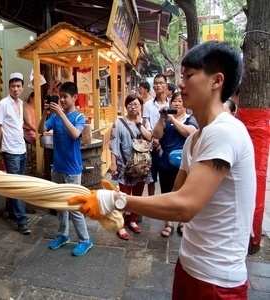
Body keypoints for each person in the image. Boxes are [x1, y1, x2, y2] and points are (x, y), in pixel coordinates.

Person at [69, 41, 255, 299]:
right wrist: (117, 197)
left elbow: (184, 206)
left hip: (217, 280)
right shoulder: (195, 140)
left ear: (217, 81)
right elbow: (173, 195)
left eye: (189, 76)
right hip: (189, 265)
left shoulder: (225, 131)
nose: (180, 84)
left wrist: (115, 200)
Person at [37, 81, 93, 256]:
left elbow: (76, 134)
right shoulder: (54, 117)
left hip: (73, 170)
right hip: (58, 167)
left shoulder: (79, 117)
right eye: (60, 96)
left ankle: (85, 240)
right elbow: (40, 130)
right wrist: (46, 112)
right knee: (60, 205)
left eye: (65, 97)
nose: (62, 100)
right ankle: (63, 235)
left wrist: (61, 114)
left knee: (75, 208)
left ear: (74, 97)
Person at [152, 92, 198, 237]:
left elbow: (190, 132)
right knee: (167, 192)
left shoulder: (191, 119)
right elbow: (157, 134)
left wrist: (173, 119)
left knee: (185, 193)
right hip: (166, 162)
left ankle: (182, 222)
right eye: (174, 101)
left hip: (185, 164)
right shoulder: (165, 120)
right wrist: (161, 118)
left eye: (180, 101)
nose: (177, 104)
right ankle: (168, 223)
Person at [109, 93, 152, 240]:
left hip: (141, 166)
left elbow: (149, 137)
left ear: (141, 106)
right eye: (130, 104)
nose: (133, 107)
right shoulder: (119, 122)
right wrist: (113, 163)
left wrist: (139, 123)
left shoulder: (145, 122)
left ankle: (133, 220)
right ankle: (120, 225)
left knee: (138, 197)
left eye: (136, 104)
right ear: (126, 106)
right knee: (123, 197)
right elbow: (114, 144)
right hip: (124, 166)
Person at [0, 72, 31, 235]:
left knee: (20, 184)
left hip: (21, 148)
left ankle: (13, 213)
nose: (15, 89)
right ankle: (21, 220)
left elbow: (21, 124)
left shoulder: (21, 103)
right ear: (8, 87)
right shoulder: (3, 104)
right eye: (12, 86)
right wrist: (2, 146)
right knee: (17, 186)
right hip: (10, 151)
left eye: (18, 86)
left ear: (22, 88)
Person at [143, 74, 169, 199]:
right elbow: (146, 123)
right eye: (156, 83)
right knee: (151, 178)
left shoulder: (172, 104)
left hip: (168, 146)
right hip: (151, 145)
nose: (158, 85)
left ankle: (167, 205)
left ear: (166, 85)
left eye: (161, 83)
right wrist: (154, 139)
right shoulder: (148, 105)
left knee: (167, 178)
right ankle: (151, 201)